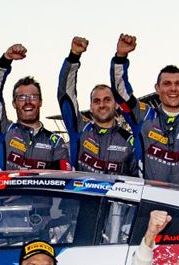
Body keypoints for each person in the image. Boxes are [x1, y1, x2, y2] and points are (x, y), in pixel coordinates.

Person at [110, 35, 179, 188]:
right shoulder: (144, 117)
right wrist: (121, 57)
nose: (173, 88)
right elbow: (120, 92)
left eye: (178, 83)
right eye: (167, 83)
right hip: (149, 204)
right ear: (157, 89)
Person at [58, 36, 138, 175]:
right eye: (96, 101)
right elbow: (66, 94)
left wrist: (121, 57)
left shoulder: (129, 141)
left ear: (116, 104)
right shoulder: (80, 131)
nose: (102, 105)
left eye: (107, 100)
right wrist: (74, 56)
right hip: (80, 196)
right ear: (90, 106)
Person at [0, 44, 71, 171]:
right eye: (22, 97)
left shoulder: (56, 142)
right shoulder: (4, 130)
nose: (28, 102)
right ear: (14, 103)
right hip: (6, 191)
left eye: (33, 97)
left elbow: (62, 181)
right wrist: (6, 59)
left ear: (41, 102)